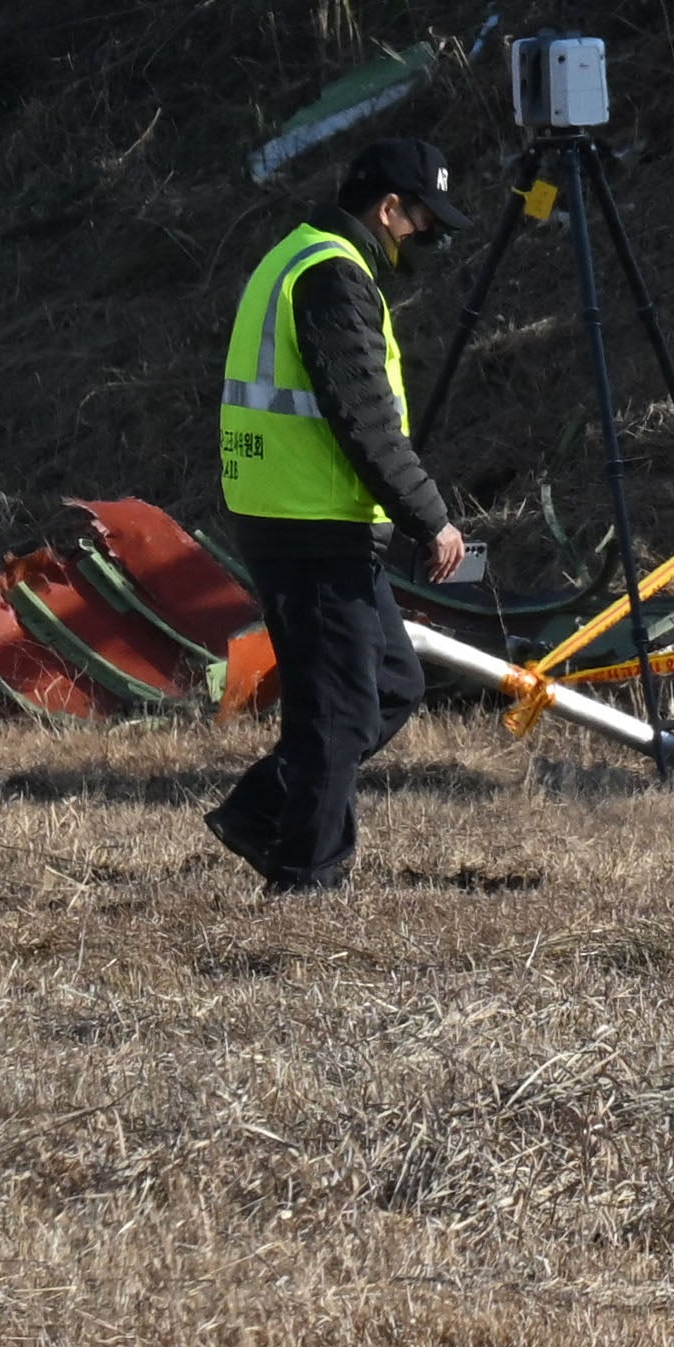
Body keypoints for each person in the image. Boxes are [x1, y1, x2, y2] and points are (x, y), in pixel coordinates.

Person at [207, 131, 480, 897]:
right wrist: (433, 519)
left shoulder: (301, 254)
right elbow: (362, 418)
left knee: (391, 684)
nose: (424, 235)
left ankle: (259, 813)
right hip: (309, 520)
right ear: (387, 206)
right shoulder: (332, 274)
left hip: (296, 512)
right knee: (339, 708)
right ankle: (307, 879)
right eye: (421, 219)